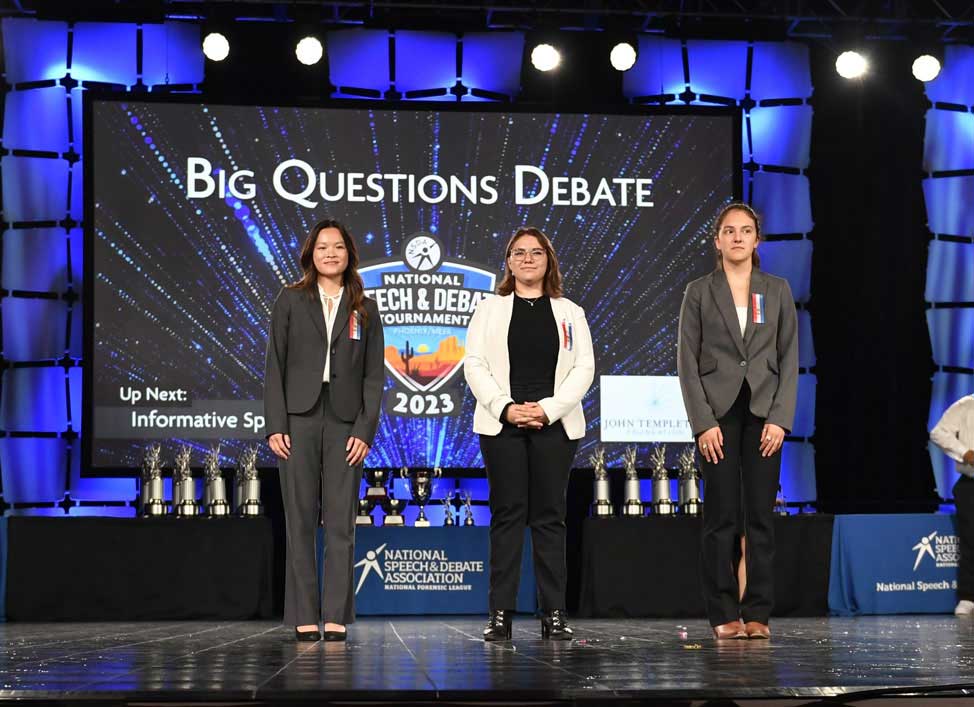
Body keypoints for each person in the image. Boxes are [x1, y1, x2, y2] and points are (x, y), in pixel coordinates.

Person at [464, 226, 595, 641]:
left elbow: (584, 369)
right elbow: (474, 364)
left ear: (547, 260)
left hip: (553, 427)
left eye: (535, 252)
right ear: (508, 261)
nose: (526, 259)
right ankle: (500, 613)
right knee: (506, 516)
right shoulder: (489, 309)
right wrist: (506, 408)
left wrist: (547, 410)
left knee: (549, 518)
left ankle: (554, 612)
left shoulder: (570, 312)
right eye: (518, 253)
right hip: (501, 426)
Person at [677, 202, 798, 640]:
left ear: (756, 240)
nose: (738, 238)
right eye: (729, 231)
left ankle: (758, 613)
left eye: (746, 231)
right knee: (721, 517)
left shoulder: (777, 289)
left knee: (761, 518)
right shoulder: (699, 291)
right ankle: (723, 613)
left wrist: (781, 420)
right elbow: (687, 364)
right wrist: (702, 422)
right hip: (718, 416)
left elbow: (789, 358)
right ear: (717, 240)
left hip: (765, 415)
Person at [264, 218, 384, 642]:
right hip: (297, 419)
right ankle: (302, 614)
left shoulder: (365, 308)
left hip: (346, 422)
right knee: (298, 519)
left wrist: (365, 430)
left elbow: (374, 376)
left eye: (337, 247)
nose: (330, 253)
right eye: (321, 248)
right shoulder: (291, 299)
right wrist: (275, 425)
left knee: (340, 522)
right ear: (310, 255)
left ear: (349, 253)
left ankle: (335, 614)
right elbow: (274, 366)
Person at [930, 393, 974, 616]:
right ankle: (968, 596)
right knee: (970, 539)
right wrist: (964, 452)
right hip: (971, 484)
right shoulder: (967, 405)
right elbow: (938, 433)